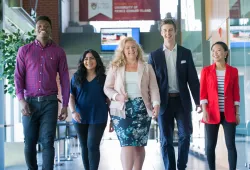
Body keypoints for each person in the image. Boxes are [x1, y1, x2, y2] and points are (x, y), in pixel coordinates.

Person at [14, 16, 70, 170]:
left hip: (50, 103)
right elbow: (18, 77)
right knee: (29, 142)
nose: (42, 27)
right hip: (29, 103)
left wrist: (65, 104)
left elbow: (65, 79)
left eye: (46, 25)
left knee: (48, 141)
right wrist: (21, 100)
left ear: (51, 29)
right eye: (39, 25)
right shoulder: (24, 51)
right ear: (35, 29)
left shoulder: (59, 52)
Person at [148, 19, 201, 170]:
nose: (168, 33)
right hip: (163, 103)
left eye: (170, 30)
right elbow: (151, 83)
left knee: (185, 136)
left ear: (175, 31)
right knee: (166, 139)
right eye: (165, 30)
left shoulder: (185, 53)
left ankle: (181, 166)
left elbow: (193, 80)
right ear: (161, 33)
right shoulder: (154, 56)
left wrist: (198, 102)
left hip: (182, 101)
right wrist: (153, 104)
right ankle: (170, 167)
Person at [104, 37, 160, 170]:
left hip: (142, 109)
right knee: (127, 143)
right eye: (127, 48)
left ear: (138, 49)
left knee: (139, 144)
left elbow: (153, 88)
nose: (131, 50)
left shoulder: (147, 67)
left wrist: (156, 104)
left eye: (133, 47)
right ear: (123, 51)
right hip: (122, 109)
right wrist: (117, 96)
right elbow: (107, 88)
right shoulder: (115, 67)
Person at [200, 41, 240, 170]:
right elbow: (203, 93)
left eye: (218, 50)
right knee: (210, 146)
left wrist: (237, 113)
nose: (215, 53)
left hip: (228, 112)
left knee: (230, 144)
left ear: (225, 53)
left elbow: (236, 93)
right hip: (211, 112)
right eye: (213, 51)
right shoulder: (206, 71)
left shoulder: (233, 71)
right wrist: (204, 110)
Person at [69, 49, 110, 170]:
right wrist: (73, 112)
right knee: (84, 146)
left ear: (97, 60)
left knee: (92, 145)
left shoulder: (104, 78)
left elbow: (109, 100)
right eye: (86, 59)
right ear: (82, 62)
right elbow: (71, 96)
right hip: (80, 116)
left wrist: (112, 119)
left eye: (92, 58)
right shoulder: (76, 77)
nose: (89, 61)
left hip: (99, 116)